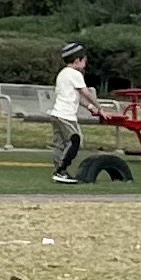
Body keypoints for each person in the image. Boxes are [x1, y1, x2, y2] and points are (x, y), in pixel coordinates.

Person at [49, 43, 97, 184]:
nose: (84, 65)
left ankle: (58, 171)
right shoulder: (75, 74)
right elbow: (86, 93)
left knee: (60, 144)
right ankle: (61, 170)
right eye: (84, 62)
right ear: (77, 60)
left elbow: (74, 97)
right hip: (66, 115)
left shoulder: (62, 74)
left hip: (56, 113)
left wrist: (89, 107)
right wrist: (99, 107)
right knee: (75, 140)